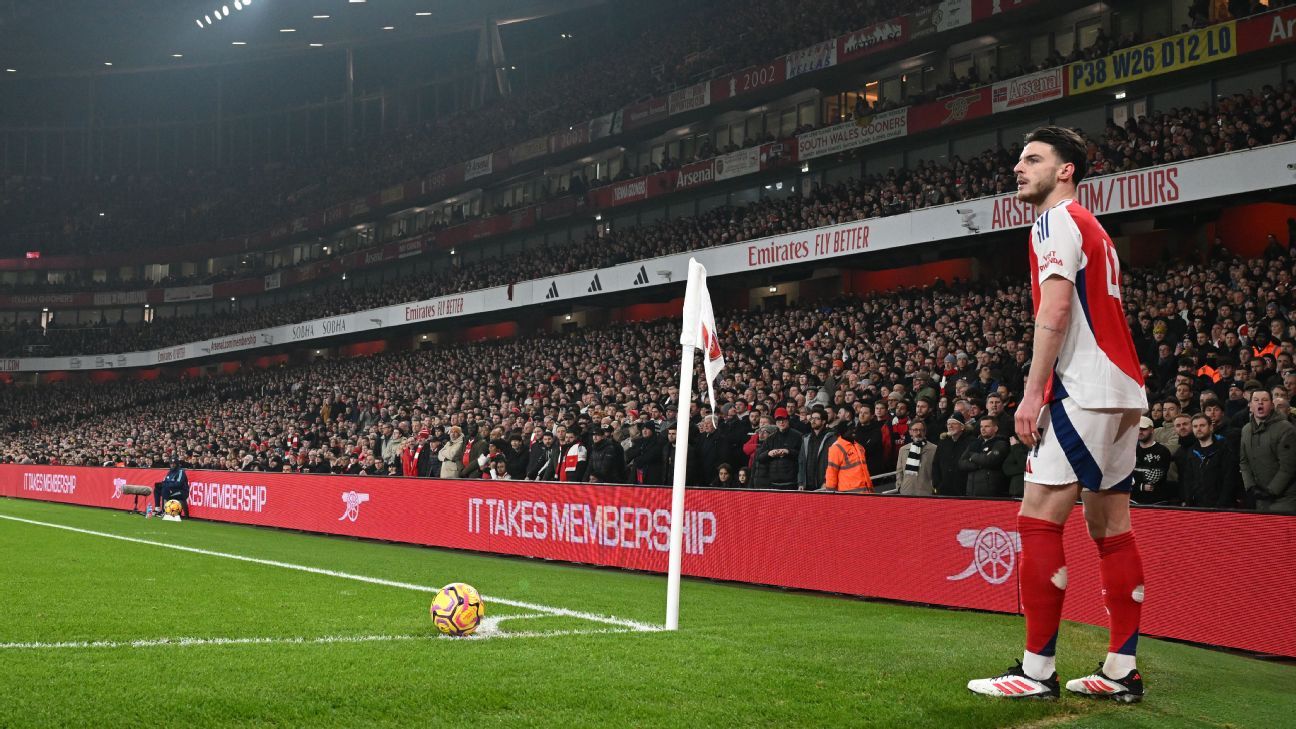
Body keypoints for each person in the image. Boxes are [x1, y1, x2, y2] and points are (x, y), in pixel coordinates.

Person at [969, 127, 1148, 703]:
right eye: (1019, 159)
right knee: (1111, 530)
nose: (1019, 168)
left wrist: (1032, 391)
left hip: (1084, 389)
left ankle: (1036, 670)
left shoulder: (1055, 220)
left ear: (1065, 169)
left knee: (1038, 519)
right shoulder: (1092, 226)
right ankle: (1121, 671)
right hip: (1122, 391)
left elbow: (1056, 309)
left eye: (1033, 159)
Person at [1239, 389, 1296, 512]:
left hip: (1285, 499)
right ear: (1250, 406)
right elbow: (1244, 462)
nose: (1260, 403)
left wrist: (1271, 491)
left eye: (1264, 400)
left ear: (1271, 406)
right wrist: (1250, 487)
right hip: (1260, 499)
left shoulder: (1286, 429)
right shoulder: (1246, 430)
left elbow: (1289, 466)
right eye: (1256, 400)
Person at [1178, 414, 1237, 508]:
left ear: (1211, 427)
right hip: (1197, 507)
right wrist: (1189, 503)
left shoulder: (1224, 448)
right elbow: (1188, 480)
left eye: (1202, 425)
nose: (1198, 429)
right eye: (1195, 426)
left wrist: (1221, 505)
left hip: (1221, 507)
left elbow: (1229, 479)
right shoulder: (1191, 451)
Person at [959, 416, 1009, 497]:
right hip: (971, 491)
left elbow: (990, 461)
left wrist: (972, 456)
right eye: (981, 426)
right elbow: (961, 463)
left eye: (987, 426)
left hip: (991, 492)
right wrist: (981, 463)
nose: (983, 429)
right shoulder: (974, 443)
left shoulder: (1001, 444)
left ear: (995, 428)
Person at [1131, 416, 1176, 504]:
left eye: (1143, 429)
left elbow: (1155, 477)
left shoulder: (1162, 451)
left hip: (1156, 501)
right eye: (1138, 429)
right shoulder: (1131, 450)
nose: (1140, 432)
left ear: (1152, 430)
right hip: (1133, 500)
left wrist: (1135, 481)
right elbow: (1126, 475)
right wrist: (1140, 486)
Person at [756, 407, 801, 490]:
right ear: (775, 422)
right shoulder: (771, 438)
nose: (781, 422)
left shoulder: (797, 436)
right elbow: (760, 458)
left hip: (792, 482)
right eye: (778, 420)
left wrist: (788, 452)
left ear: (788, 420)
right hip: (773, 482)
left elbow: (802, 456)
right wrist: (769, 453)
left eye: (783, 419)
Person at [823, 420, 873, 492]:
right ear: (843, 432)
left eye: (854, 428)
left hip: (866, 492)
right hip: (849, 495)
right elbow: (831, 473)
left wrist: (870, 490)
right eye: (850, 429)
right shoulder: (836, 448)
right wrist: (830, 494)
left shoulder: (859, 447)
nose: (854, 430)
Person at [797, 408, 838, 491]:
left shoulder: (832, 439)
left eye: (817, 418)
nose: (813, 421)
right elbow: (801, 462)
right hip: (807, 485)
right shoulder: (806, 438)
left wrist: (827, 481)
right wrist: (801, 482)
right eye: (812, 418)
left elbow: (833, 463)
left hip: (823, 485)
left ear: (823, 421)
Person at [894, 419, 936, 495]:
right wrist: (899, 486)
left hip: (926, 492)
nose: (918, 433)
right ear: (910, 432)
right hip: (906, 491)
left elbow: (937, 471)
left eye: (921, 430)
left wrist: (933, 488)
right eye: (915, 430)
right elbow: (899, 471)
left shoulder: (934, 449)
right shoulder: (903, 450)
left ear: (925, 432)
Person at [933, 413, 972, 496]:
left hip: (963, 488)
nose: (950, 426)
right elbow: (936, 464)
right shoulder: (943, 443)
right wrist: (937, 484)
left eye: (953, 423)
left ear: (962, 427)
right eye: (948, 424)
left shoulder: (971, 442)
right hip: (943, 488)